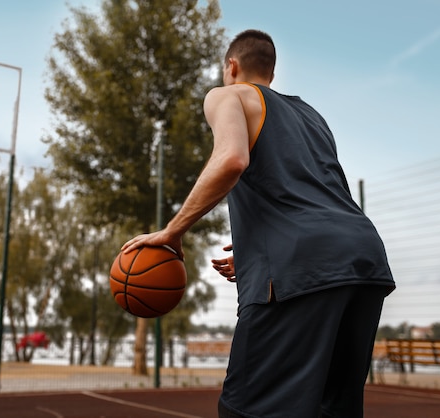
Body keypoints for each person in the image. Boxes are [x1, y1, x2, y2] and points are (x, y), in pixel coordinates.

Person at [122, 29, 395, 417]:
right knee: (332, 409)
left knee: (246, 409)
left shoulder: (226, 95)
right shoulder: (311, 116)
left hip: (303, 263)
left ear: (230, 66)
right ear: (271, 70)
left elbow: (232, 160)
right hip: (364, 261)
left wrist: (173, 230)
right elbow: (314, 196)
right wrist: (259, 251)